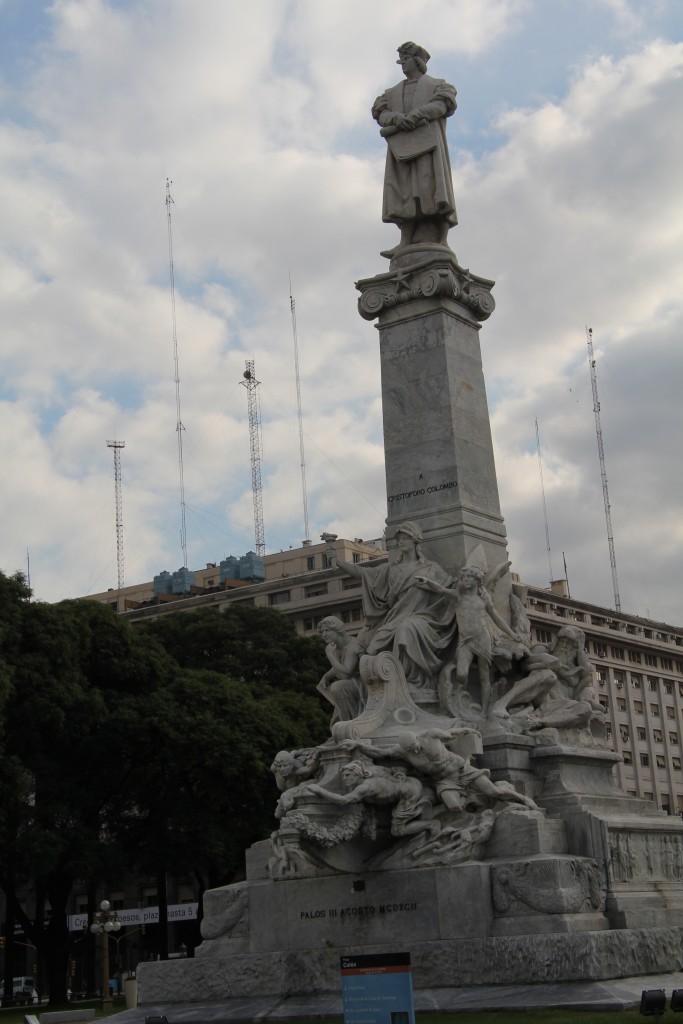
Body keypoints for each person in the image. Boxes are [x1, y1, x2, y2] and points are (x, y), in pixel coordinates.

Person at [332, 521, 457, 690]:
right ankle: (386, 688)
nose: (401, 542)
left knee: (406, 629)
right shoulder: (390, 569)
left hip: (424, 619)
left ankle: (413, 683)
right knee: (375, 645)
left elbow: (452, 589)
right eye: (399, 539)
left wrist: (473, 588)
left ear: (415, 540)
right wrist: (337, 562)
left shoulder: (431, 569)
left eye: (406, 538)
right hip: (395, 618)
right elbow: (363, 574)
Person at [372, 42, 457, 253]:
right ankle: (405, 241)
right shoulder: (391, 93)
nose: (403, 64)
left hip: (429, 147)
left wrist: (417, 115)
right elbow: (380, 113)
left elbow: (442, 105)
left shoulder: (438, 85)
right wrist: (396, 119)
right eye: (401, 60)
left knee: (433, 189)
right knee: (405, 191)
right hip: (402, 149)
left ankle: (441, 240)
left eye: (407, 59)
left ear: (417, 61)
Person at [343, 728, 537, 813]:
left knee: (494, 792)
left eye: (415, 746)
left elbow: (452, 733)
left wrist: (468, 730)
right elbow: (379, 752)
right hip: (445, 781)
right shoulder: (402, 752)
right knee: (453, 807)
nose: (416, 750)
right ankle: (469, 796)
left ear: (417, 739)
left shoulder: (431, 735)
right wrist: (357, 744)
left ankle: (524, 799)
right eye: (411, 750)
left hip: (462, 770)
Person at [418, 564, 526, 715]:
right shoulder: (458, 597)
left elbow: (497, 619)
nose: (465, 580)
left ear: (477, 580)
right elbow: (441, 590)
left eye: (469, 577)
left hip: (482, 638)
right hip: (465, 641)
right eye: (463, 577)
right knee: (461, 674)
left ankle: (484, 710)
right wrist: (428, 582)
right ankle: (462, 696)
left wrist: (513, 635)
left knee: (484, 675)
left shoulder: (484, 600)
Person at [304, 760, 440, 838]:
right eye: (344, 775)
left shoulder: (364, 787)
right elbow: (391, 770)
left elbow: (344, 801)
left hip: (408, 794)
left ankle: (432, 824)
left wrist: (320, 790)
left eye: (347, 775)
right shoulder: (370, 770)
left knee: (398, 831)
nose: (344, 779)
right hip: (410, 782)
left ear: (357, 775)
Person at [316, 616, 366, 723]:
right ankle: (346, 724)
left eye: (327, 630)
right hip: (352, 683)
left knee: (337, 687)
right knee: (338, 688)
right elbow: (338, 666)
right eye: (322, 632)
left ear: (337, 629)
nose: (324, 634)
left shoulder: (352, 646)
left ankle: (350, 723)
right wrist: (326, 677)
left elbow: (347, 671)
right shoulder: (335, 646)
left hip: (363, 685)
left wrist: (330, 656)